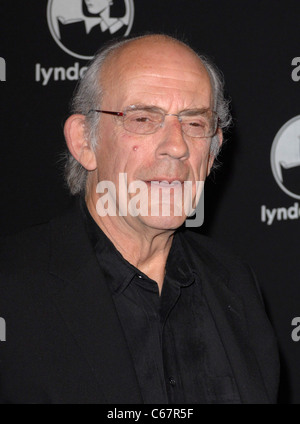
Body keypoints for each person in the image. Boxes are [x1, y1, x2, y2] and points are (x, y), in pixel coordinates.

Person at [0, 34, 279, 404]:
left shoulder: (237, 284)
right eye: (144, 118)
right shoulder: (11, 289)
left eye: (195, 124)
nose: (177, 146)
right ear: (85, 141)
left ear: (212, 154)